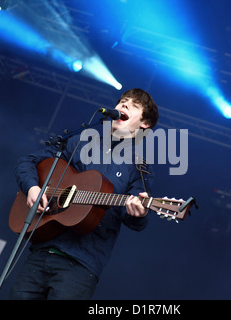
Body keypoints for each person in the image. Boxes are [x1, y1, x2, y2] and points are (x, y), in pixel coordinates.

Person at [10, 88, 159, 299]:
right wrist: (33, 187)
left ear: (145, 124)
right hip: (42, 249)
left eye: (133, 105)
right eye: (122, 101)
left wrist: (140, 212)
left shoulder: (140, 166)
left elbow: (135, 221)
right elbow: (27, 162)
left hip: (81, 265)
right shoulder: (81, 140)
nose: (123, 105)